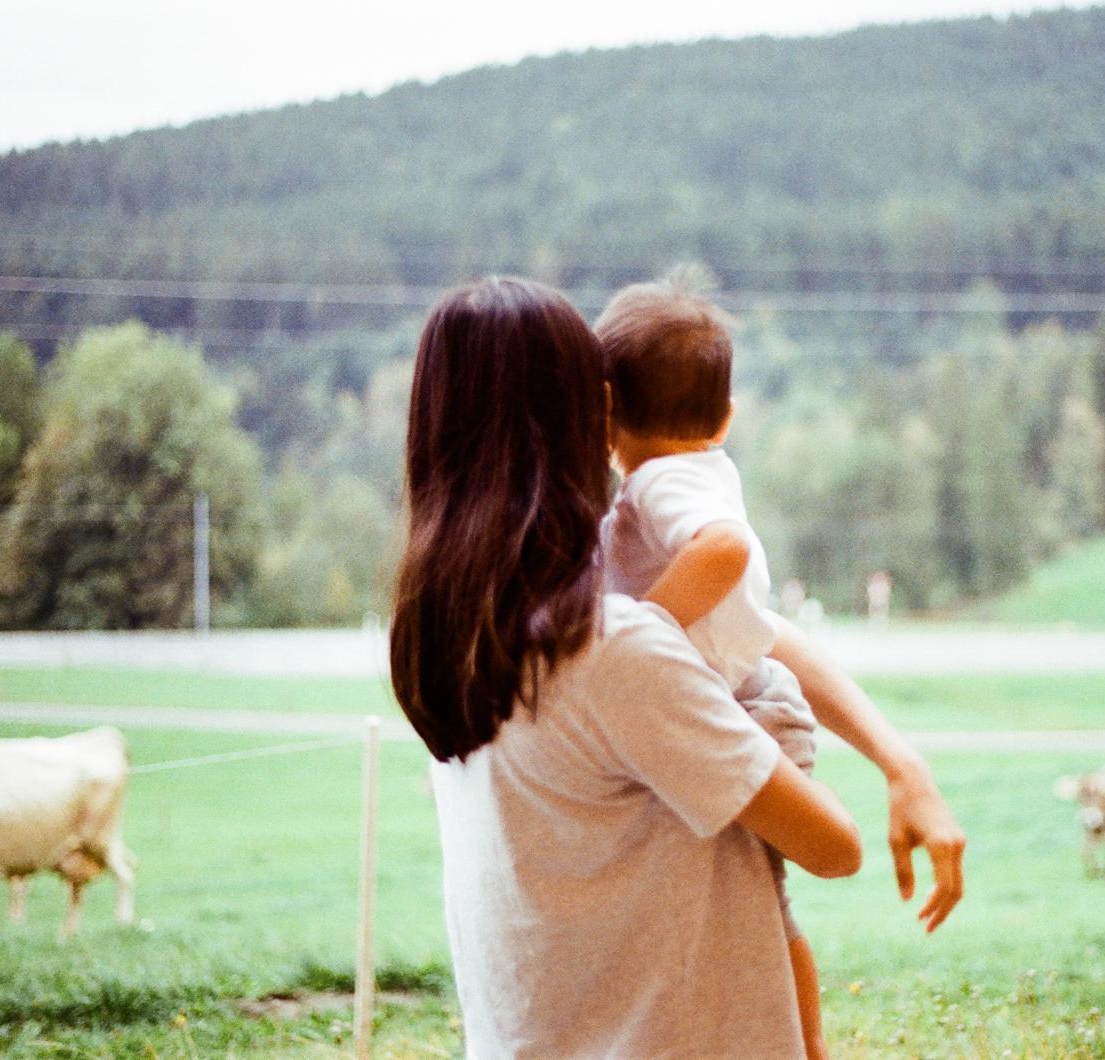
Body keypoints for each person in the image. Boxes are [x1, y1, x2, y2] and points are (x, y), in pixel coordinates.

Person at [391, 277, 966, 1058]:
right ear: (587, 413)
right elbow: (835, 848)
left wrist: (901, 761)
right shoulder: (610, 642)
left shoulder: (454, 634)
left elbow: (753, 630)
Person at [595, 278, 827, 1056]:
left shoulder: (662, 481)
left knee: (766, 908)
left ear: (602, 412)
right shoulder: (704, 468)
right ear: (725, 417)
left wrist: (644, 626)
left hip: (748, 704)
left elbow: (723, 549)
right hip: (752, 694)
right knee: (769, 910)